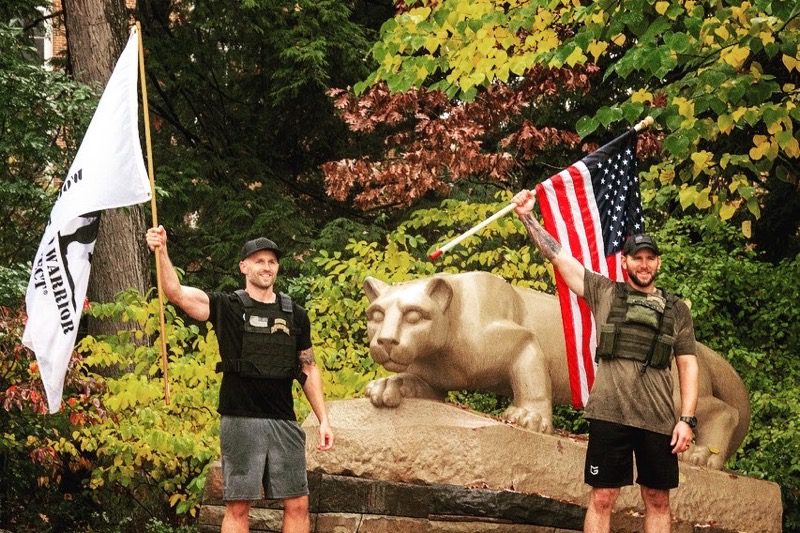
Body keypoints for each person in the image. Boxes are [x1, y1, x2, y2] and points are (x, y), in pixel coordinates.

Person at [511, 190, 698, 533]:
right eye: (637, 258)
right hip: (609, 415)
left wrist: (686, 420)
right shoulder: (605, 292)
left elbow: (688, 365)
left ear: (658, 263)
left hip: (658, 420)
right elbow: (559, 257)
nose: (644, 264)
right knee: (602, 497)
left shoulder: (677, 310)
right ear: (625, 262)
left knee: (658, 499)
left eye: (650, 258)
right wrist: (527, 217)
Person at [146, 226, 334, 533]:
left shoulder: (296, 314)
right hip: (240, 419)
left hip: (284, 420)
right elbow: (176, 293)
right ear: (244, 267)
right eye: (259, 261)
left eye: (272, 261)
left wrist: (323, 419)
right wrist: (162, 250)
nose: (266, 267)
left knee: (299, 504)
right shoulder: (226, 306)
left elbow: (309, 369)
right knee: (238, 507)